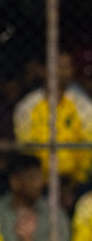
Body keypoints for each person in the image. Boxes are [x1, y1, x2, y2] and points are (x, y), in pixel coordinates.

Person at [13, 49, 92, 184]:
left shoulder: (84, 105)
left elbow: (88, 148)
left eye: (66, 66)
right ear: (42, 70)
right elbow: (26, 149)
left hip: (76, 182)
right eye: (58, 66)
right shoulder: (27, 106)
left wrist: (77, 180)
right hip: (39, 182)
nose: (62, 72)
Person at [0, 152, 69, 241]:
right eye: (32, 178)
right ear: (15, 182)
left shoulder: (54, 213)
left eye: (40, 177)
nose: (38, 183)